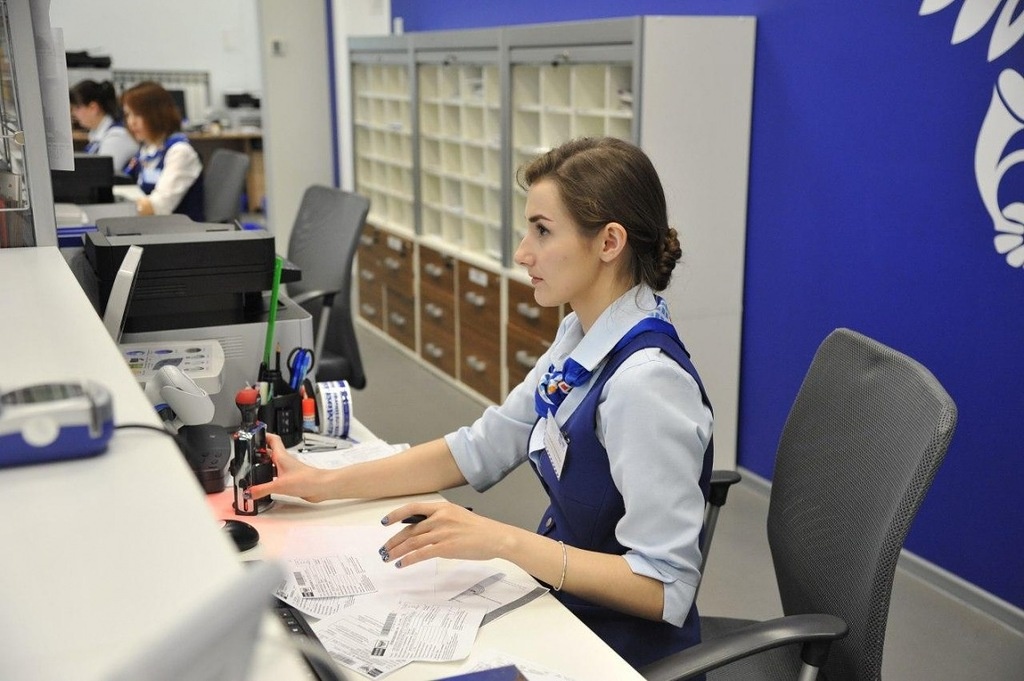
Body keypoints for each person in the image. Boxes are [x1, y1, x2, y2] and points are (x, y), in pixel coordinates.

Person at [250, 136, 714, 669]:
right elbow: (480, 447)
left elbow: (664, 589)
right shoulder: (580, 335)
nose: (522, 252)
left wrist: (502, 541)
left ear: (609, 242)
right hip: (562, 606)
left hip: (620, 653)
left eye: (542, 230)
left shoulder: (646, 383)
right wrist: (322, 483)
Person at [121, 81, 205, 221]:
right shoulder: (147, 149)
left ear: (158, 114)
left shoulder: (180, 152)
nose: (131, 122)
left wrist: (115, 209)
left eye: (138, 114)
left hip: (179, 229)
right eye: (128, 115)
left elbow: (158, 207)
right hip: (151, 224)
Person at [69, 79, 139, 177]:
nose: (73, 113)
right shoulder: (97, 134)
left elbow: (99, 176)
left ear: (93, 108)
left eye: (77, 108)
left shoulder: (116, 137)